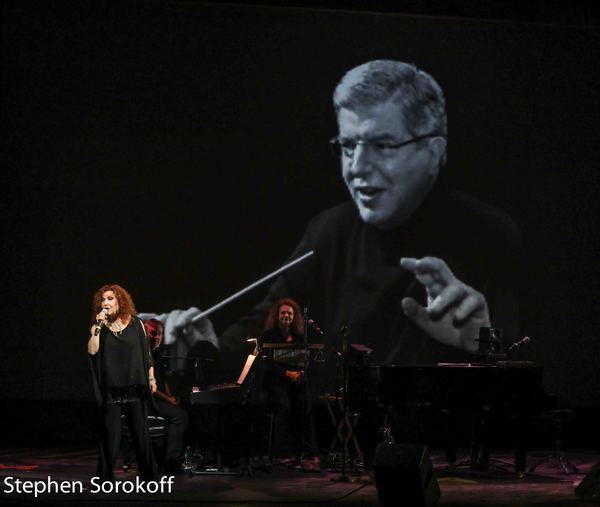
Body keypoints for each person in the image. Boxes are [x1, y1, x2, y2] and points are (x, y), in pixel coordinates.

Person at [148, 59, 520, 387]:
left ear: (433, 152)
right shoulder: (330, 231)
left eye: (382, 146)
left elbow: (525, 376)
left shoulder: (488, 235)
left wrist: (486, 344)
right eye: (347, 146)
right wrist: (207, 348)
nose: (356, 168)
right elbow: (267, 338)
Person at [88, 284, 157, 480]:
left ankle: (150, 478)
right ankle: (104, 480)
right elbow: (92, 351)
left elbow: (147, 355)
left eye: (110, 298)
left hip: (134, 387)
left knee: (141, 436)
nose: (106, 303)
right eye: (103, 299)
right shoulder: (98, 327)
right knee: (109, 438)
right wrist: (97, 327)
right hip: (111, 390)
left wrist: (151, 377)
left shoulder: (137, 324)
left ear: (120, 301)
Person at [260, 298, 318, 464]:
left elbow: (304, 361)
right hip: (276, 381)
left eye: (290, 313)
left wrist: (298, 375)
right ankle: (281, 453)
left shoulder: (299, 337)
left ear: (294, 317)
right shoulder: (268, 335)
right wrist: (287, 373)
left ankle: (308, 451)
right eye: (283, 312)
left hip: (295, 381)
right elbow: (267, 364)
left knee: (305, 406)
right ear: (277, 315)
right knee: (284, 406)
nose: (286, 315)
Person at [144, 318, 190, 472]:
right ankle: (172, 461)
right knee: (180, 416)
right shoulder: (142, 354)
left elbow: (163, 382)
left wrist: (172, 396)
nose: (157, 337)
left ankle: (176, 457)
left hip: (158, 400)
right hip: (147, 401)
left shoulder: (155, 354)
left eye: (160, 334)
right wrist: (169, 399)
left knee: (183, 408)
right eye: (153, 333)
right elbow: (150, 387)